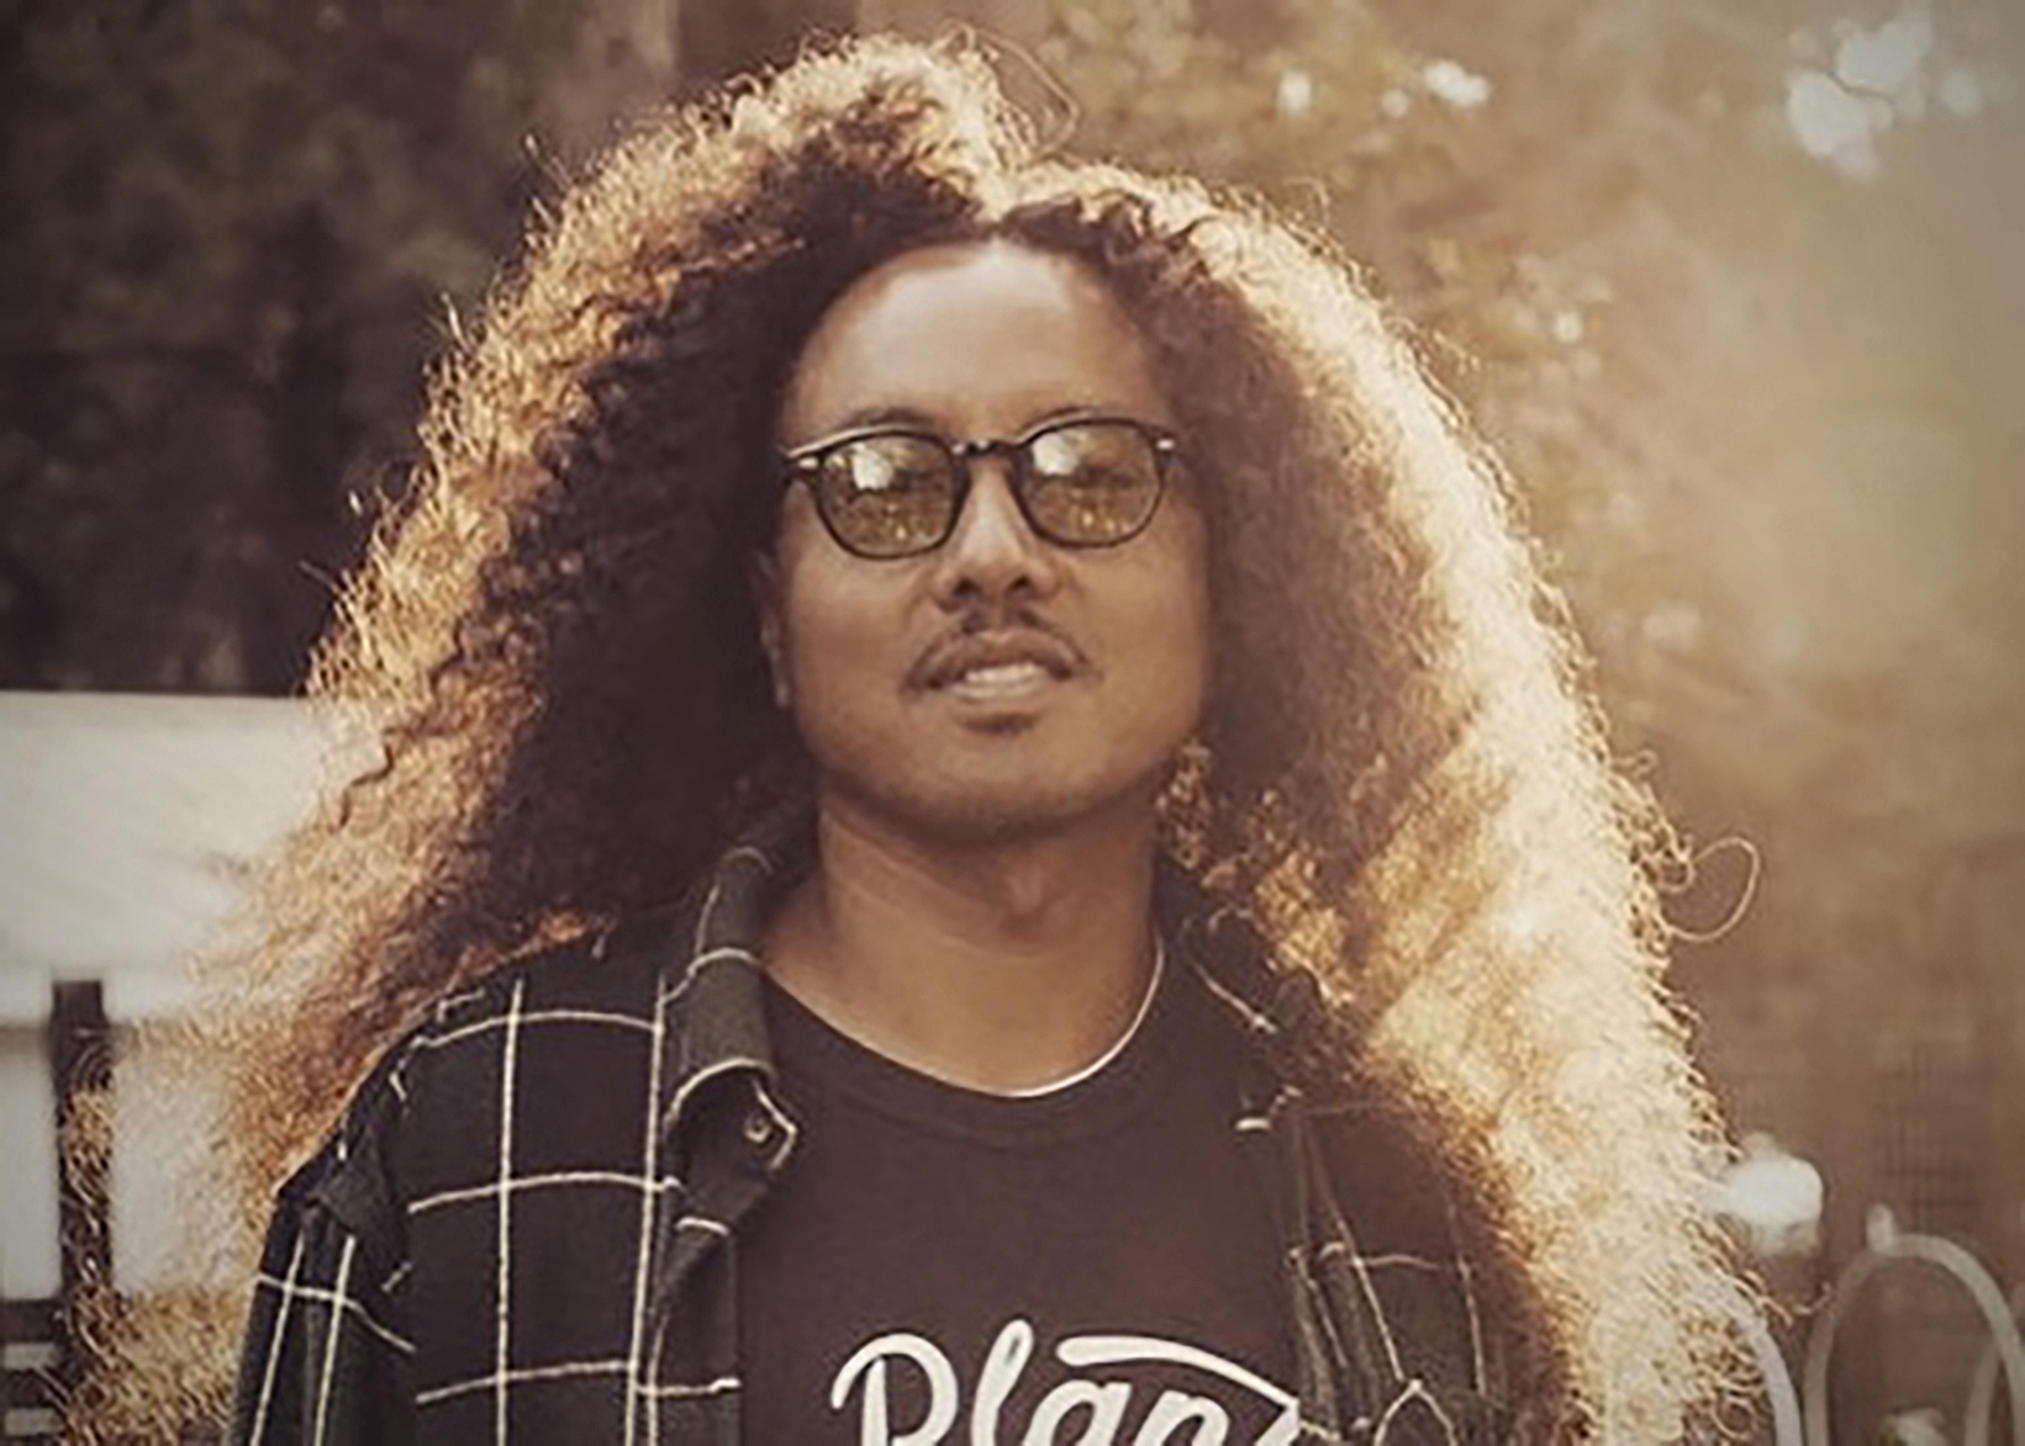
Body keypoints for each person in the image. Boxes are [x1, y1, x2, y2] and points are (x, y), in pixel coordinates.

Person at [104, 32, 1740, 1446]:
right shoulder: (476, 1139)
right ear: (766, 609)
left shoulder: (1412, 1202)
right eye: (884, 483)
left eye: (1087, 472)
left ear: (1232, 576)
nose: (990, 552)